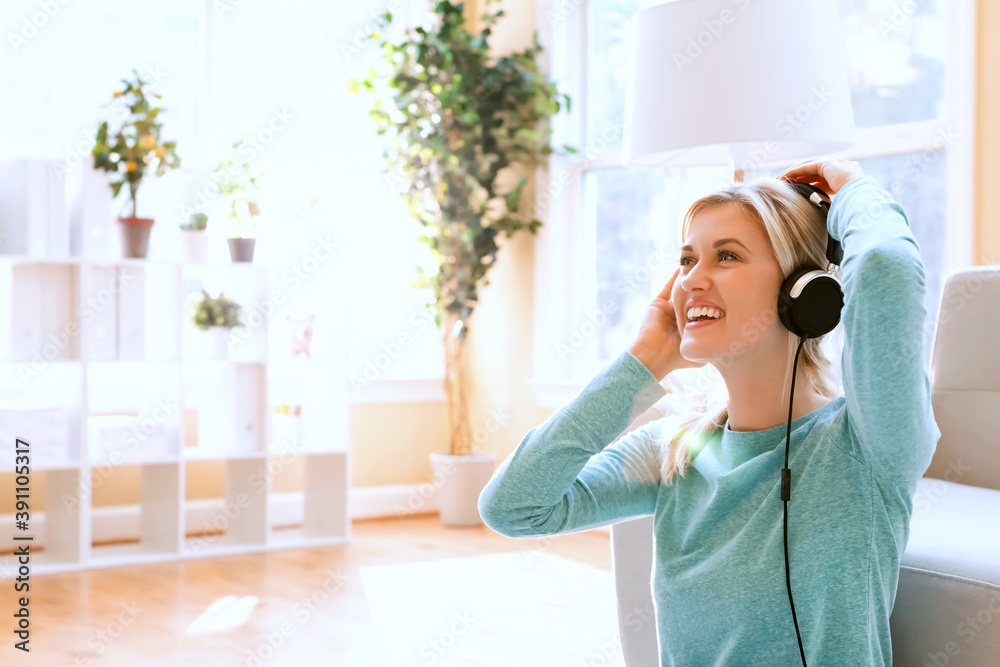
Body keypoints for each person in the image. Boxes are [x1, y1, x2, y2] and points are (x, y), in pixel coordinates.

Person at [477, 158, 941, 665]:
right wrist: (643, 362)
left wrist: (853, 187)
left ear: (803, 294)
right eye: (686, 260)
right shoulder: (676, 448)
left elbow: (885, 270)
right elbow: (511, 507)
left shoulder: (866, 445)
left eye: (726, 256)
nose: (692, 280)